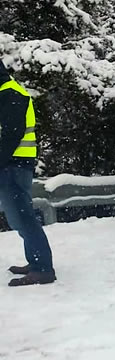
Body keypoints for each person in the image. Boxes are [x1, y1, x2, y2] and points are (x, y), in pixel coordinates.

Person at [0, 63, 55, 286]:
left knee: (22, 217)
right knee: (19, 217)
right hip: (12, 164)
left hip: (14, 165)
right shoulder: (7, 91)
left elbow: (12, 135)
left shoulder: (10, 93)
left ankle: (43, 268)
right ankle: (35, 262)